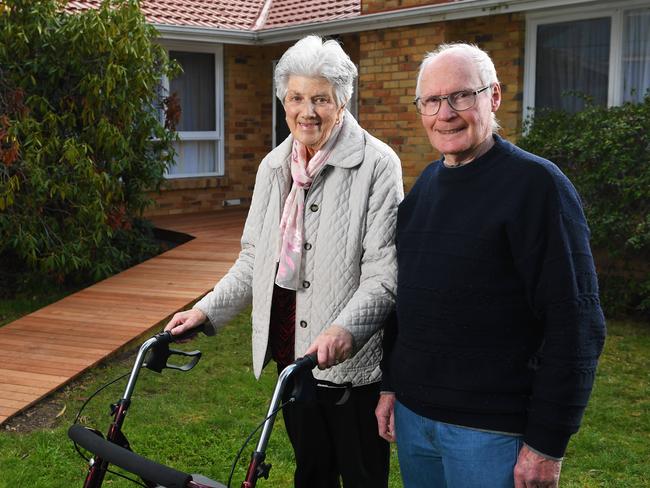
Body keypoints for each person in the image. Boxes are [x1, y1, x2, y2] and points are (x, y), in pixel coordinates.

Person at [165, 35, 403, 488]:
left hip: (349, 366)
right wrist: (207, 310)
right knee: (311, 473)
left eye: (320, 98)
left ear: (343, 101)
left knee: (362, 477)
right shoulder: (274, 167)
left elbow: (384, 274)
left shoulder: (377, 165)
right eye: (296, 97)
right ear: (283, 100)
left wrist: (345, 330)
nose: (306, 110)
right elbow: (256, 257)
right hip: (290, 353)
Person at [375, 43, 606, 488]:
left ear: (493, 97)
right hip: (415, 420)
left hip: (490, 432)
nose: (446, 113)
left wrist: (547, 444)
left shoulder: (537, 187)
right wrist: (391, 385)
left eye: (461, 96)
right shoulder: (424, 187)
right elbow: (408, 303)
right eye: (432, 101)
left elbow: (576, 321)